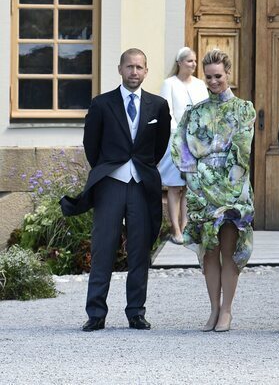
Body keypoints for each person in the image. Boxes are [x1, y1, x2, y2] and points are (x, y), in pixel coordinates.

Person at [60, 49, 171, 332]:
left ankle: (136, 312)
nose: (134, 72)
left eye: (139, 67)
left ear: (146, 71)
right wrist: (110, 169)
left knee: (139, 251)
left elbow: (160, 145)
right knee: (103, 249)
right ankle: (96, 313)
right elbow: (91, 146)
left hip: (141, 186)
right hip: (110, 184)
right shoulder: (101, 104)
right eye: (129, 67)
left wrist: (142, 168)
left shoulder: (158, 106)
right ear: (120, 69)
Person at [171, 49, 255, 333]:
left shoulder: (244, 109)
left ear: (228, 74)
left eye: (218, 76)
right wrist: (195, 181)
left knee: (229, 251)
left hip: (232, 190)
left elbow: (242, 151)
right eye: (208, 77)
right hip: (200, 192)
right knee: (209, 252)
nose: (213, 81)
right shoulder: (194, 112)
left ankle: (227, 311)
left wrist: (227, 189)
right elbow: (180, 147)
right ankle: (213, 309)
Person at [158, 47, 208, 243]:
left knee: (188, 186)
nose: (193, 64)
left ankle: (186, 226)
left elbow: (204, 111)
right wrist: (180, 134)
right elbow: (166, 112)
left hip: (195, 142)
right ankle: (175, 228)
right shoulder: (169, 83)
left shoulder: (199, 84)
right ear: (179, 63)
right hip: (175, 140)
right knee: (174, 186)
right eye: (189, 61)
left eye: (195, 61)